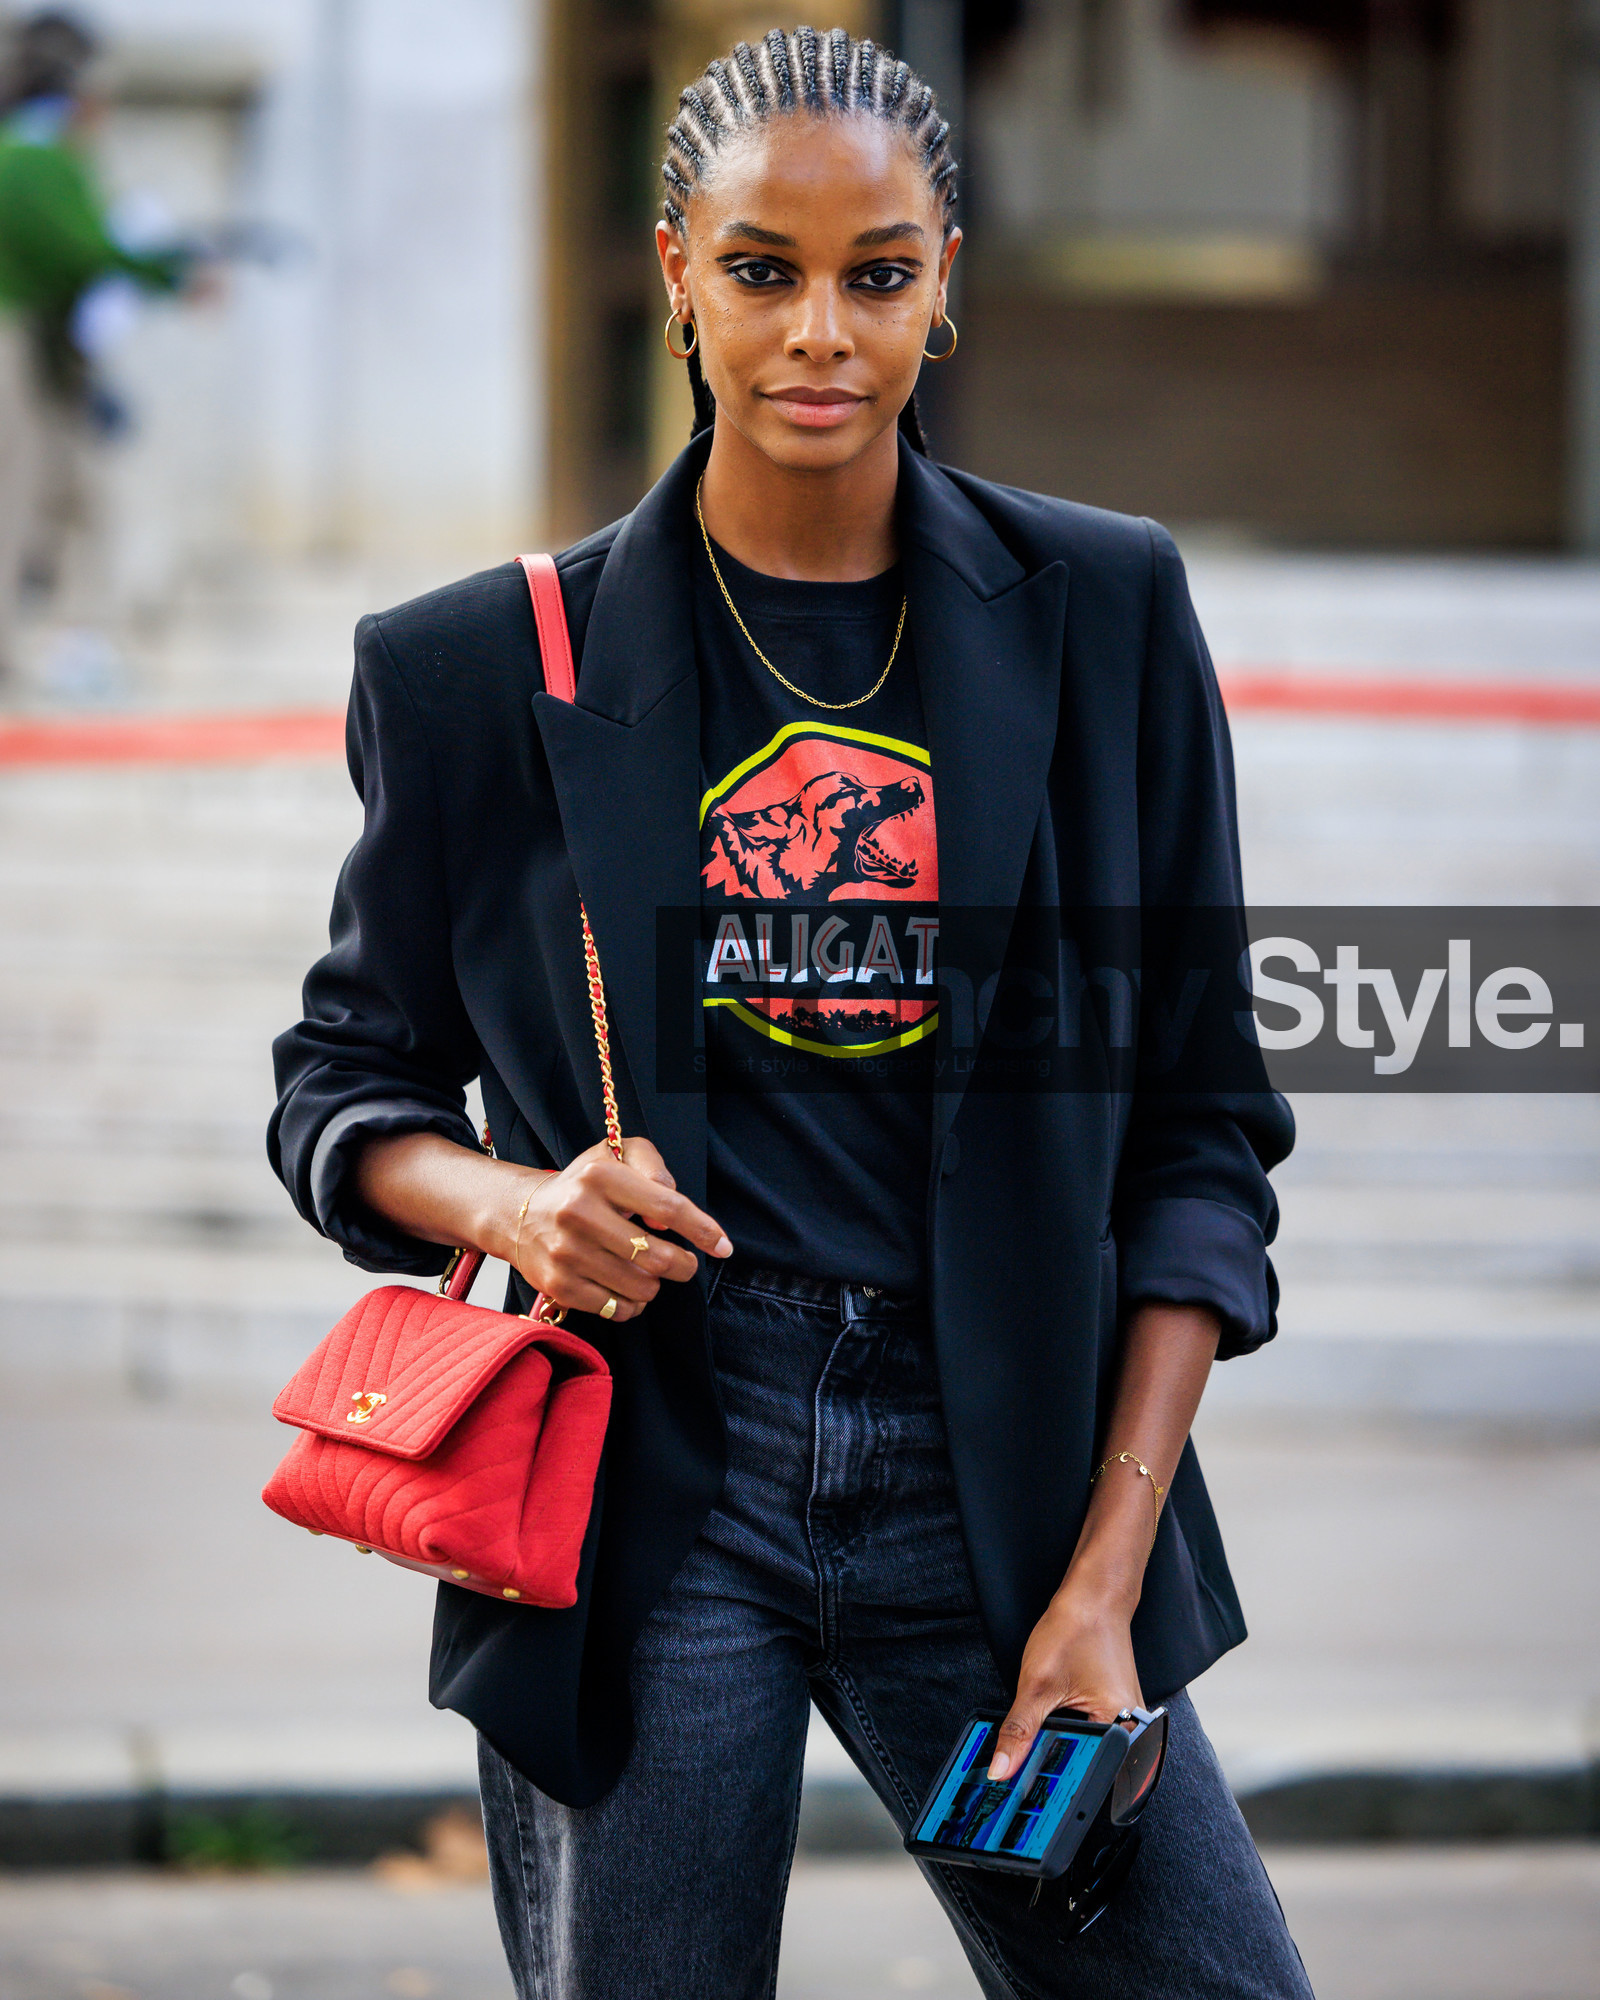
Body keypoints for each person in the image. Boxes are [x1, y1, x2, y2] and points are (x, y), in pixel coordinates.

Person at [269, 25, 1310, 1998]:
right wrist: (511, 1205)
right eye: (761, 270)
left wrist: (1099, 1582)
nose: (818, 331)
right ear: (674, 271)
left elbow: (1198, 1134)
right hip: (657, 1480)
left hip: (1000, 1472)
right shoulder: (480, 668)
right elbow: (340, 1083)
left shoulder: (1099, 616)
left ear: (944, 279)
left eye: (876, 272)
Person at [0, 10, 186, 679]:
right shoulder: (34, 157)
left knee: (63, 496)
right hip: (18, 341)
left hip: (45, 347)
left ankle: (66, 645)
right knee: (16, 498)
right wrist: (172, 268)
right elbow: (88, 249)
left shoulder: (31, 153)